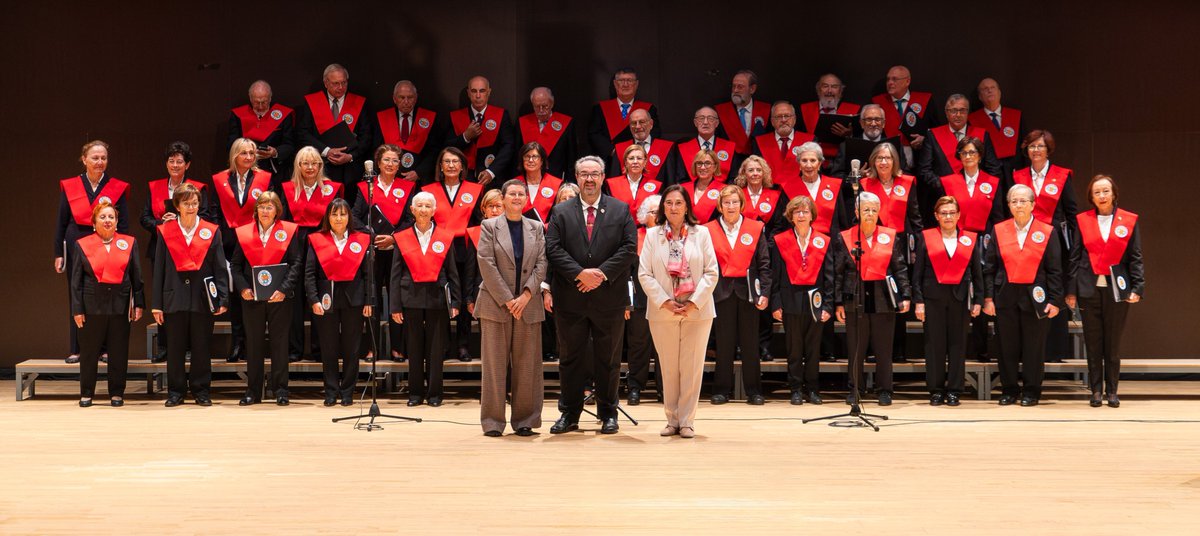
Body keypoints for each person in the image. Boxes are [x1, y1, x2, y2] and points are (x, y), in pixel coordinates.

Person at [546, 156, 637, 434]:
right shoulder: (561, 211)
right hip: (571, 298)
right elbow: (553, 249)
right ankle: (569, 414)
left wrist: (599, 275)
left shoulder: (620, 210)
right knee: (570, 358)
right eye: (583, 174)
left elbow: (629, 248)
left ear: (602, 177)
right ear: (576, 177)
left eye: (594, 174)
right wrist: (580, 274)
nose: (589, 179)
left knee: (608, 359)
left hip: (608, 298)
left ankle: (608, 413)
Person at [638, 185, 719, 438]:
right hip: (664, 311)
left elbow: (711, 272)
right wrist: (665, 301)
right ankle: (672, 419)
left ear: (687, 207)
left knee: (692, 367)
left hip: (697, 310)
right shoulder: (652, 235)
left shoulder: (702, 233)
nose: (673, 207)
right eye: (669, 203)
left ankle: (687, 421)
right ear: (663, 207)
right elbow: (645, 274)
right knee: (669, 367)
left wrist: (695, 301)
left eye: (678, 203)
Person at [475, 180, 548, 436]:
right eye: (512, 194)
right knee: (494, 366)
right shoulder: (489, 226)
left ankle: (525, 420)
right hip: (496, 304)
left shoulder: (536, 227)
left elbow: (542, 264)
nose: (517, 197)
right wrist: (508, 299)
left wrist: (526, 295)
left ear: (526, 199)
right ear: (503, 198)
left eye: (521, 194)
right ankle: (493, 422)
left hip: (528, 304)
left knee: (527, 365)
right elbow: (486, 262)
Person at [1066, 175, 1144, 407]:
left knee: (1112, 344)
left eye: (1105, 191)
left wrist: (1138, 287)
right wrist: (1071, 291)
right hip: (1088, 289)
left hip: (1117, 290)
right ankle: (1096, 391)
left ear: (1114, 194)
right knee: (1093, 343)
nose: (1101, 196)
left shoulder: (1128, 220)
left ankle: (1112, 391)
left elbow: (1136, 256)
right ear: (1091, 196)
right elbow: (1075, 257)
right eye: (1097, 192)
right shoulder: (1083, 220)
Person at [982, 184, 1063, 406]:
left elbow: (1055, 269)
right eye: (1014, 201)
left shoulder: (1047, 231)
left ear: (1033, 205)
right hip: (1005, 296)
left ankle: (1031, 391)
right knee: (1006, 346)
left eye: (1023, 201)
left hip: (1036, 298)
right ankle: (1009, 389)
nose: (1019, 205)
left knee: (1034, 347)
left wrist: (1055, 301)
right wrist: (988, 298)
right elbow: (989, 267)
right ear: (1008, 205)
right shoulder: (999, 230)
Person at [152, 184, 228, 407]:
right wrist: (157, 304)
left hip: (203, 298)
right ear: (177, 206)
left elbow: (220, 267)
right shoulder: (165, 231)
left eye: (195, 202)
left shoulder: (211, 230)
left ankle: (201, 390)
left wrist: (222, 298)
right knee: (175, 347)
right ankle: (175, 391)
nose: (192, 207)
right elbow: (159, 269)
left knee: (202, 347)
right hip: (173, 297)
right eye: (187, 203)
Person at [833, 192, 911, 406]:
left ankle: (885, 390)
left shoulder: (890, 236)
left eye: (874, 210)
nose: (869, 213)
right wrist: (838, 302)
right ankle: (855, 389)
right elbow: (838, 272)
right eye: (865, 209)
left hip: (883, 298)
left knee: (884, 349)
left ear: (879, 213)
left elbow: (900, 267)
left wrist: (905, 295)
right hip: (854, 298)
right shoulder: (845, 236)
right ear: (857, 212)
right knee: (855, 348)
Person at [56, 140, 130, 363]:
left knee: (106, 294)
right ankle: (76, 348)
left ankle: (105, 348)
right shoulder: (72, 185)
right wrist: (58, 252)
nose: (100, 162)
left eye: (104, 158)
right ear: (84, 159)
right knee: (76, 294)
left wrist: (123, 249)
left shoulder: (115, 186)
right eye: (95, 158)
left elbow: (123, 223)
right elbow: (61, 221)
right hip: (77, 243)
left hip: (107, 244)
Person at [139, 142, 210, 362]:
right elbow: (145, 218)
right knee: (166, 297)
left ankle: (188, 347)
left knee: (189, 300)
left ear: (187, 164)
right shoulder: (155, 187)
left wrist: (183, 222)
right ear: (166, 163)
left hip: (193, 249)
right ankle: (164, 346)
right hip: (163, 249)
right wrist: (162, 224)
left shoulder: (198, 188)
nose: (175, 165)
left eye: (180, 161)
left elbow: (206, 216)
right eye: (171, 161)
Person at [230, 191, 302, 406]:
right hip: (251, 298)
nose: (265, 211)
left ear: (277, 210)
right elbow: (235, 265)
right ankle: (253, 391)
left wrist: (283, 289)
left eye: (269, 207)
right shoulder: (244, 232)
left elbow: (296, 263)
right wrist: (243, 288)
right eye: (261, 206)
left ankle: (281, 390)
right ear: (256, 210)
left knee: (280, 344)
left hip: (280, 298)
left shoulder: (288, 231)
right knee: (253, 345)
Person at [1011, 130, 1077, 362]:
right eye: (1031, 146)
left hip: (1054, 239)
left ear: (1048, 149)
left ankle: (1054, 349)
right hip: (1024, 238)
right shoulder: (1018, 175)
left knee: (1052, 283)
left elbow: (1071, 211)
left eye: (1040, 146)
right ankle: (1025, 349)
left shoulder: (1061, 175)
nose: (1036, 150)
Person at [390, 192, 461, 407]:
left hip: (437, 298)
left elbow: (452, 272)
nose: (423, 209)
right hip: (409, 298)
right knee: (414, 347)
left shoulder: (444, 236)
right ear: (412, 210)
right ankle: (414, 394)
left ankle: (435, 394)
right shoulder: (401, 237)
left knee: (435, 348)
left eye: (427, 206)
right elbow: (394, 274)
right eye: (419, 205)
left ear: (434, 210)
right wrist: (394, 305)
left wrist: (455, 302)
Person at [70, 202, 143, 407]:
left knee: (119, 352)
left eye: (111, 217)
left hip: (120, 307)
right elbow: (75, 282)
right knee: (89, 352)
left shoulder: (129, 243)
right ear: (94, 223)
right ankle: (86, 393)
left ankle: (117, 392)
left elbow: (137, 278)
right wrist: (77, 309)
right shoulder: (82, 244)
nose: (107, 220)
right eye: (102, 217)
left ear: (117, 222)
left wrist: (139, 303)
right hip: (91, 307)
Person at [912, 196, 984, 406]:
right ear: (936, 216)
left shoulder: (969, 239)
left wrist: (978, 299)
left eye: (952, 212)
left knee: (957, 345)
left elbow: (977, 273)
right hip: (932, 298)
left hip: (960, 299)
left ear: (959, 215)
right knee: (934, 345)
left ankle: (954, 390)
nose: (948, 216)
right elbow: (917, 274)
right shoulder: (926, 237)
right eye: (943, 213)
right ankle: (935, 390)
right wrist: (919, 301)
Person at [706, 185, 772, 405]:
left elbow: (764, 264)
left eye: (735, 202)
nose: (731, 206)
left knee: (750, 344)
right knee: (723, 344)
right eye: (727, 203)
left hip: (749, 294)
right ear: (720, 206)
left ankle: (754, 390)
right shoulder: (709, 229)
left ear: (742, 204)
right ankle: (721, 390)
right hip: (721, 294)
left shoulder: (754, 228)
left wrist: (765, 292)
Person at [352, 144, 418, 361]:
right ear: (378, 163)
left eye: (395, 161)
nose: (391, 164)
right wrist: (371, 237)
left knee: (396, 298)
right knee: (372, 298)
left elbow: (411, 220)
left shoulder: (407, 187)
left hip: (397, 251)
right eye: (387, 160)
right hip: (373, 251)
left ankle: (397, 347)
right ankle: (372, 347)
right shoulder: (365, 187)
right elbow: (355, 217)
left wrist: (394, 238)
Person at [211, 138, 274, 363]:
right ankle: (237, 343)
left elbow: (271, 209)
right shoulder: (220, 180)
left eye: (251, 153)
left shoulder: (264, 179)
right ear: (234, 155)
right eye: (244, 153)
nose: (248, 157)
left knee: (253, 293)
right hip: (228, 244)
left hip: (255, 241)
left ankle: (251, 344)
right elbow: (214, 212)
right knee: (236, 295)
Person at [307, 199, 373, 407]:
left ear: (349, 217)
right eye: (334, 214)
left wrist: (369, 301)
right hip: (326, 300)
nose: (338, 218)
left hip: (354, 300)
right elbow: (309, 274)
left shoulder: (360, 239)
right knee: (328, 348)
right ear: (328, 217)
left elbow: (368, 275)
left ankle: (347, 391)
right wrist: (314, 299)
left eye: (343, 214)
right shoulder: (317, 239)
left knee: (351, 349)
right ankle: (331, 390)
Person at [771, 196, 834, 405]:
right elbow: (776, 276)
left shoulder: (823, 241)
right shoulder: (781, 240)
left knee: (813, 349)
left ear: (812, 216)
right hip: (790, 300)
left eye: (805, 212)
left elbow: (829, 276)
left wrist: (828, 305)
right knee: (794, 349)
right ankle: (796, 388)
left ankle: (813, 389)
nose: (801, 215)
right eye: (797, 212)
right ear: (790, 216)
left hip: (815, 302)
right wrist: (776, 303)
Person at [282, 147, 343, 362]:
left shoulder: (332, 189)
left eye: (315, 163)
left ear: (321, 166)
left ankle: (320, 350)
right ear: (298, 166)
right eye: (305, 163)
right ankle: (294, 349)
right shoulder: (287, 189)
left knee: (320, 295)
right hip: (295, 246)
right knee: (295, 299)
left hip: (323, 245)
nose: (310, 168)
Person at [421, 147, 482, 361]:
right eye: (447, 161)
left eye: (456, 161)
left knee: (465, 295)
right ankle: (444, 344)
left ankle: (463, 345)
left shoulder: (475, 189)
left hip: (465, 249)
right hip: (438, 248)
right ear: (440, 165)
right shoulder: (429, 191)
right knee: (443, 295)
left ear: (463, 166)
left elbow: (478, 222)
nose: (451, 165)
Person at [916, 94, 1003, 224]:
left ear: (968, 113)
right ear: (946, 113)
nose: (958, 114)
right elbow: (924, 170)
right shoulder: (933, 135)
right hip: (944, 199)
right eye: (953, 110)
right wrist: (945, 186)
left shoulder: (982, 134)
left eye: (962, 110)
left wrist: (982, 190)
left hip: (977, 198)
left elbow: (993, 169)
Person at [296, 64, 372, 202]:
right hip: (320, 166)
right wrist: (327, 151)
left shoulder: (359, 103)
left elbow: (366, 137)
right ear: (326, 83)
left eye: (344, 83)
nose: (341, 87)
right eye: (336, 83)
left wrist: (350, 156)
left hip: (350, 170)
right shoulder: (312, 102)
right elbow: (303, 133)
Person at [625, 195, 663, 404]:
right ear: (642, 215)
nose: (656, 215)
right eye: (652, 211)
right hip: (639, 300)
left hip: (665, 301)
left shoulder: (671, 236)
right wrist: (626, 302)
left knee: (664, 347)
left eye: (659, 211)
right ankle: (635, 388)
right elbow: (625, 273)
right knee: (638, 345)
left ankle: (665, 389)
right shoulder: (633, 237)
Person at [446, 75, 516, 185]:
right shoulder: (455, 116)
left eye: (482, 91)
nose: (478, 95)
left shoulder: (501, 115)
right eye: (474, 91)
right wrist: (466, 137)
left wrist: (491, 171)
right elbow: (447, 147)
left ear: (489, 92)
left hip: (493, 178)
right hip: (463, 178)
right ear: (468, 93)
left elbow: (508, 147)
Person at [372, 80, 443, 183]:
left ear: (416, 98)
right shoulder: (382, 118)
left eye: (410, 97)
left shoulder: (429, 118)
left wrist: (419, 172)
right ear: (394, 99)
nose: (406, 102)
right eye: (401, 97)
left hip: (419, 179)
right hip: (388, 178)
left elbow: (435, 150)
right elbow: (376, 149)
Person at [228, 80, 295, 182]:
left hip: (275, 171)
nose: (260, 106)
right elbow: (231, 144)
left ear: (270, 98)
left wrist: (275, 152)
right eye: (256, 102)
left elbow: (289, 144)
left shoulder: (284, 114)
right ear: (250, 98)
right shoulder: (238, 115)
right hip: (245, 170)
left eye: (264, 102)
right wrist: (247, 153)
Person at [588, 67, 661, 161]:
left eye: (630, 80)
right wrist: (613, 151)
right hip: (609, 160)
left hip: (639, 159)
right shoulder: (600, 109)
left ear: (636, 84)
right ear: (615, 84)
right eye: (621, 80)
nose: (625, 84)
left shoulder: (649, 109)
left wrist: (638, 152)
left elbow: (655, 132)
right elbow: (594, 134)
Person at [871, 65, 933, 169]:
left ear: (907, 81)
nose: (890, 83)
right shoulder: (876, 103)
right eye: (888, 79)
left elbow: (936, 130)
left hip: (920, 163)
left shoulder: (925, 101)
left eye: (894, 79)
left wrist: (924, 139)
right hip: (887, 164)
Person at [828, 104, 908, 177]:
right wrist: (857, 176)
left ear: (883, 123)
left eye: (877, 119)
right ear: (862, 123)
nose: (873, 124)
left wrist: (892, 174)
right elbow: (836, 175)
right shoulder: (846, 145)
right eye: (869, 119)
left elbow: (906, 173)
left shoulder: (894, 145)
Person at [667, 106, 740, 184]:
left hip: (722, 193)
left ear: (717, 123)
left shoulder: (729, 147)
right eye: (701, 118)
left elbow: (733, 178)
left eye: (710, 119)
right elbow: (680, 179)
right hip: (692, 193)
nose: (705, 122)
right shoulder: (684, 148)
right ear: (695, 123)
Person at [785, 142, 846, 236]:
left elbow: (842, 222)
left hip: (830, 245)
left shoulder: (834, 185)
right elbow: (783, 224)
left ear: (819, 164)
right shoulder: (788, 188)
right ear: (799, 165)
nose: (808, 165)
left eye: (813, 160)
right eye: (804, 161)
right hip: (798, 243)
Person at [969, 78, 1024, 180]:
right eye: (985, 89)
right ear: (980, 97)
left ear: (999, 93)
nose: (989, 90)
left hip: (1015, 172)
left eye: (992, 88)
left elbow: (1024, 144)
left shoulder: (1015, 116)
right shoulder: (972, 120)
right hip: (989, 173)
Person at [751, 101, 814, 187]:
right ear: (772, 121)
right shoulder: (759, 142)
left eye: (787, 116)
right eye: (778, 117)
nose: (783, 120)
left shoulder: (810, 141)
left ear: (794, 119)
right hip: (769, 193)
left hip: (801, 193)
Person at [798, 73, 860, 162]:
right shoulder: (803, 110)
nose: (829, 91)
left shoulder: (854, 110)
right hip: (810, 161)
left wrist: (849, 135)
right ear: (818, 90)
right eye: (825, 86)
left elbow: (860, 141)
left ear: (840, 91)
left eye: (834, 87)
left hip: (841, 161)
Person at [518, 87, 577, 179]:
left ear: (552, 104)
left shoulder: (566, 123)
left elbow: (571, 158)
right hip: (528, 179)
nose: (541, 110)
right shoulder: (522, 122)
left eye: (545, 106)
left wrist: (570, 184)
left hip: (556, 178)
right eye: (537, 107)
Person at [714, 69, 771, 155]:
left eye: (740, 87)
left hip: (757, 163)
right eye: (733, 86)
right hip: (730, 162)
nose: (735, 90)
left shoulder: (766, 111)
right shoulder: (720, 112)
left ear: (752, 89)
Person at [610, 109, 674, 182]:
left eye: (642, 122)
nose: (637, 126)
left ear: (651, 124)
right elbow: (614, 181)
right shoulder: (620, 149)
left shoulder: (665, 147)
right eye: (633, 123)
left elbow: (671, 182)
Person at [605, 144, 662, 221]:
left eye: (639, 158)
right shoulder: (611, 184)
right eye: (631, 158)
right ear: (625, 162)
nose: (635, 162)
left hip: (647, 230)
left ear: (645, 162)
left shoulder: (657, 186)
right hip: (619, 229)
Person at [734, 154, 787, 235]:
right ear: (744, 173)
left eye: (759, 170)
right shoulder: (737, 195)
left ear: (764, 173)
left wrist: (767, 246)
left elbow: (778, 226)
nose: (755, 173)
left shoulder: (775, 196)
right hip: (741, 241)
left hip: (768, 244)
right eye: (751, 170)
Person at [514, 141, 563, 224]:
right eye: (527, 156)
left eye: (535, 157)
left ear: (542, 160)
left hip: (548, 232)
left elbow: (560, 213)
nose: (530, 160)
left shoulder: (556, 184)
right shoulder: (513, 184)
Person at [679, 150, 726, 223]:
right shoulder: (682, 189)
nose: (703, 167)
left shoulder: (723, 190)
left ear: (715, 167)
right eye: (699, 163)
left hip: (711, 231)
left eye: (707, 163)